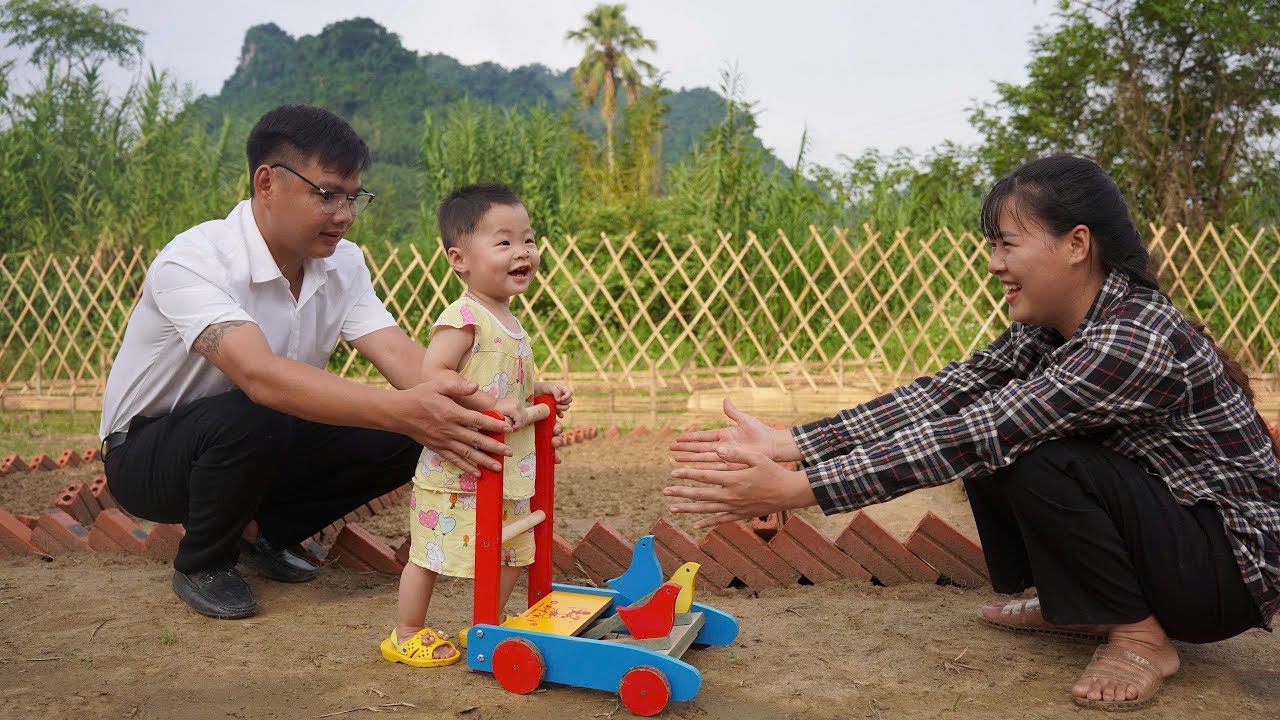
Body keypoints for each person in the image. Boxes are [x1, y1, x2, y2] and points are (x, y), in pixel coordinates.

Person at [664, 155, 1280, 711]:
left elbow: (980, 432)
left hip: (1226, 570)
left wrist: (799, 490)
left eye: (1008, 244)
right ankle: (1085, 606)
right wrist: (790, 445)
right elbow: (948, 394)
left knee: (1025, 453)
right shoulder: (1053, 329)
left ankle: (1140, 636)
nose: (995, 265)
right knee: (1000, 438)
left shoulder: (1131, 339)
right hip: (1179, 537)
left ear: (1077, 244)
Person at [99, 105, 525, 621]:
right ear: (267, 183)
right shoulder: (194, 260)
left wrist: (482, 413)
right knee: (260, 409)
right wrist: (407, 409)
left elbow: (400, 356)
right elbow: (258, 375)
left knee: (418, 426)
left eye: (353, 196)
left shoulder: (343, 264)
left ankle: (263, 532)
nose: (344, 214)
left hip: (264, 435)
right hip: (149, 455)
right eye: (326, 194)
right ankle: (204, 561)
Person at [380, 183, 572, 668]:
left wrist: (543, 391)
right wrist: (490, 402)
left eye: (527, 239)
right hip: (458, 471)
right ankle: (406, 632)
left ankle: (486, 622)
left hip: (506, 471)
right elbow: (435, 373)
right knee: (429, 555)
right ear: (459, 259)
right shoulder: (464, 316)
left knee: (515, 551)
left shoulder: (509, 319)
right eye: (503, 242)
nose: (522, 251)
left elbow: (510, 382)